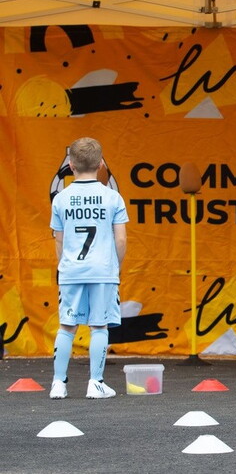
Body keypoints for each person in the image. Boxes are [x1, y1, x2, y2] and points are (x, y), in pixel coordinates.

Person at [49, 137, 128, 400]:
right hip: (103, 270)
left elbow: (58, 240)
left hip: (71, 270)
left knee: (66, 326)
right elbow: (121, 239)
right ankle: (96, 382)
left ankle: (58, 383)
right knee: (99, 326)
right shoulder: (113, 197)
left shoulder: (60, 199)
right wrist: (115, 267)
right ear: (101, 164)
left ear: (70, 165)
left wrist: (63, 267)